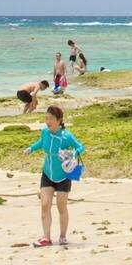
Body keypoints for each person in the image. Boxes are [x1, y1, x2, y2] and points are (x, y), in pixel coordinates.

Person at [23, 105, 85, 247]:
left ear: (59, 120)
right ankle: (46, 237)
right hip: (47, 173)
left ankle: (62, 236)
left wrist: (73, 154)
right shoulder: (45, 132)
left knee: (61, 207)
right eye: (46, 118)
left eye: (51, 119)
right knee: (45, 205)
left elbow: (80, 147)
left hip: (64, 175)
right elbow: (40, 143)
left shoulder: (66, 136)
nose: (48, 121)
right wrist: (30, 149)